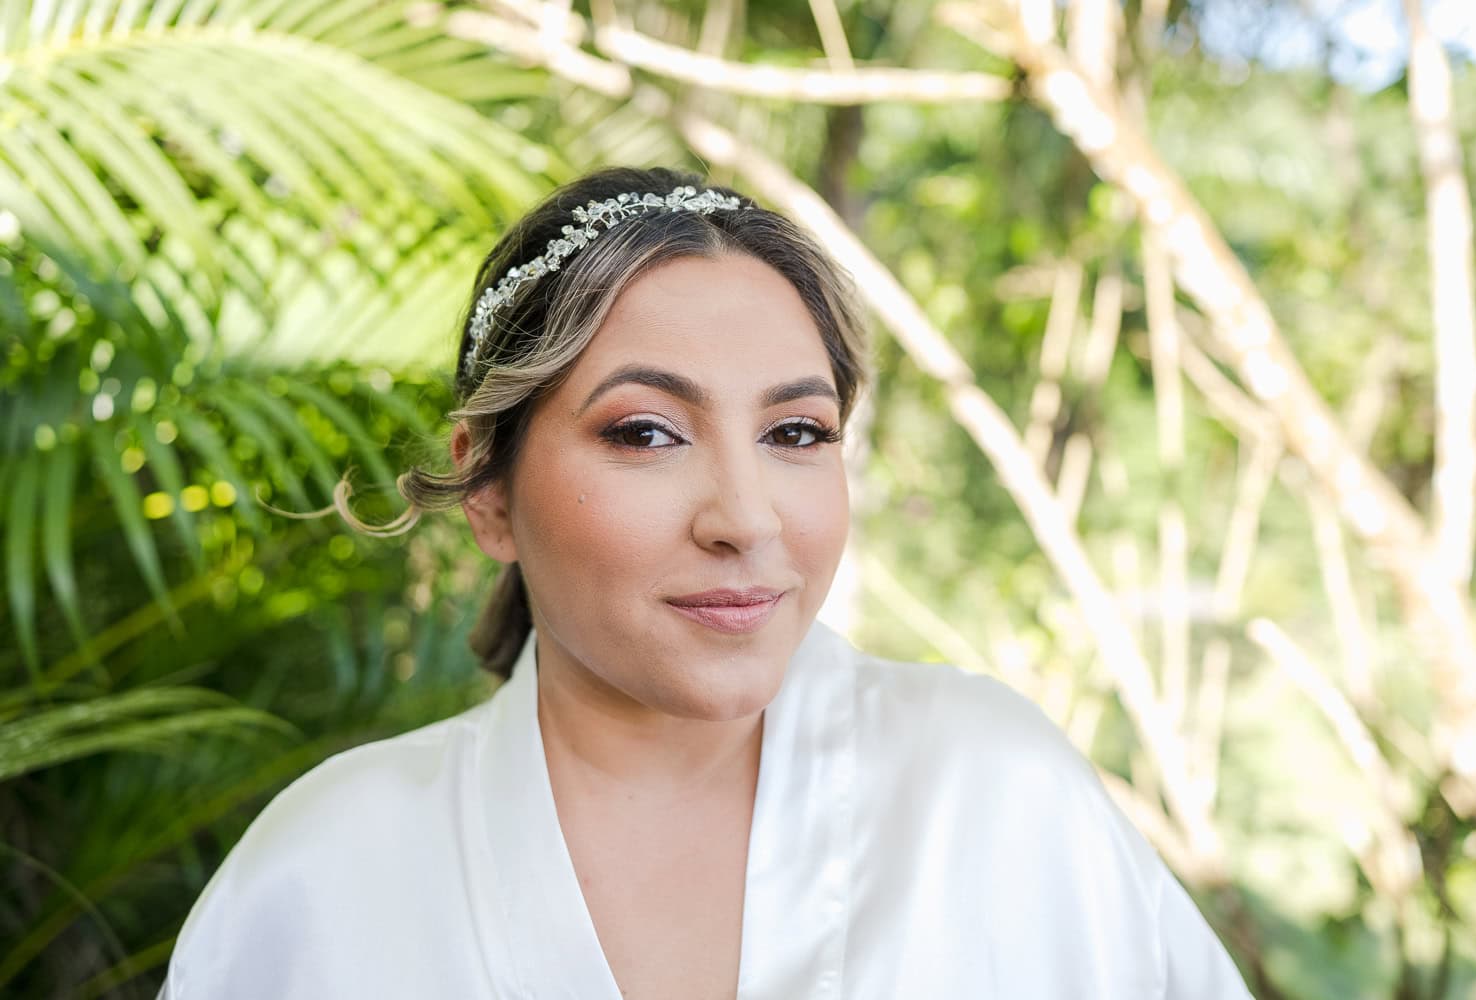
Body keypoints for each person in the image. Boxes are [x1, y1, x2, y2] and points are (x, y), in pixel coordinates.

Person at [160, 166, 1253, 999]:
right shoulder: (331, 871)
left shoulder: (998, 794)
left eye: (795, 429)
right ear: (486, 487)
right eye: (646, 431)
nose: (744, 518)